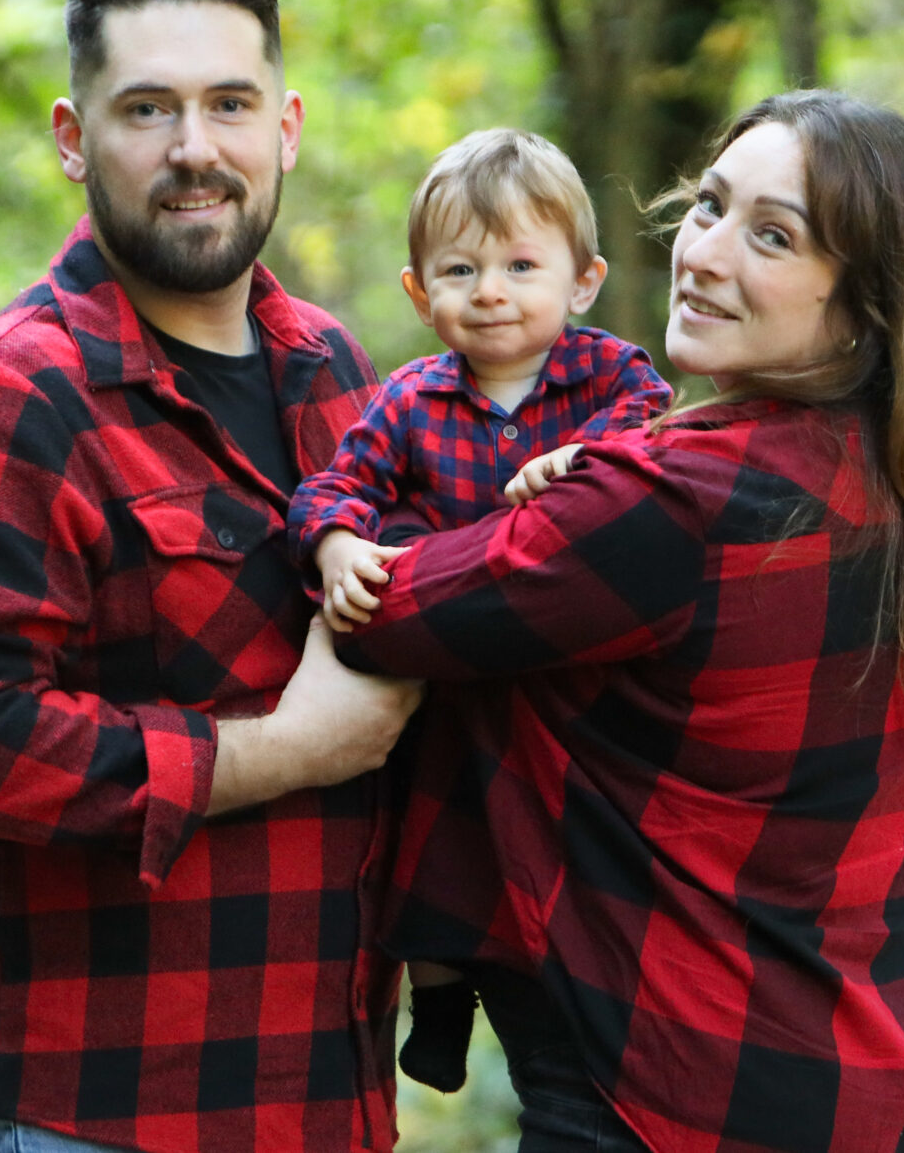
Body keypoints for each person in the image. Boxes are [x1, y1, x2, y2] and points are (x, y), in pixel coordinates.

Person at [332, 90, 904, 1153]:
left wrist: (356, 519)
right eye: (709, 207)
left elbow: (390, 613)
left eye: (772, 236)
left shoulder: (681, 502)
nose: (704, 254)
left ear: (863, 307)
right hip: (876, 1077)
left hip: (675, 1095)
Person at [0, 0, 425, 1153]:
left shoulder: (334, 373)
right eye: (147, 110)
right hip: (77, 1114)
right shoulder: (6, 398)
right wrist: (284, 752)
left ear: (285, 127)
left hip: (317, 1102)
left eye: (230, 105)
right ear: (73, 138)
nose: (194, 150)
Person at [286, 127, 672, 1092]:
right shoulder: (411, 400)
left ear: (581, 282)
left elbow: (656, 442)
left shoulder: (611, 377)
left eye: (520, 265)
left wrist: (583, 464)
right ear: (421, 294)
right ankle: (441, 999)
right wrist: (337, 547)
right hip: (453, 672)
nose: (490, 289)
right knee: (433, 827)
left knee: (567, 829)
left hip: (569, 675)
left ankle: (573, 973)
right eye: (459, 269)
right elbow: (335, 487)